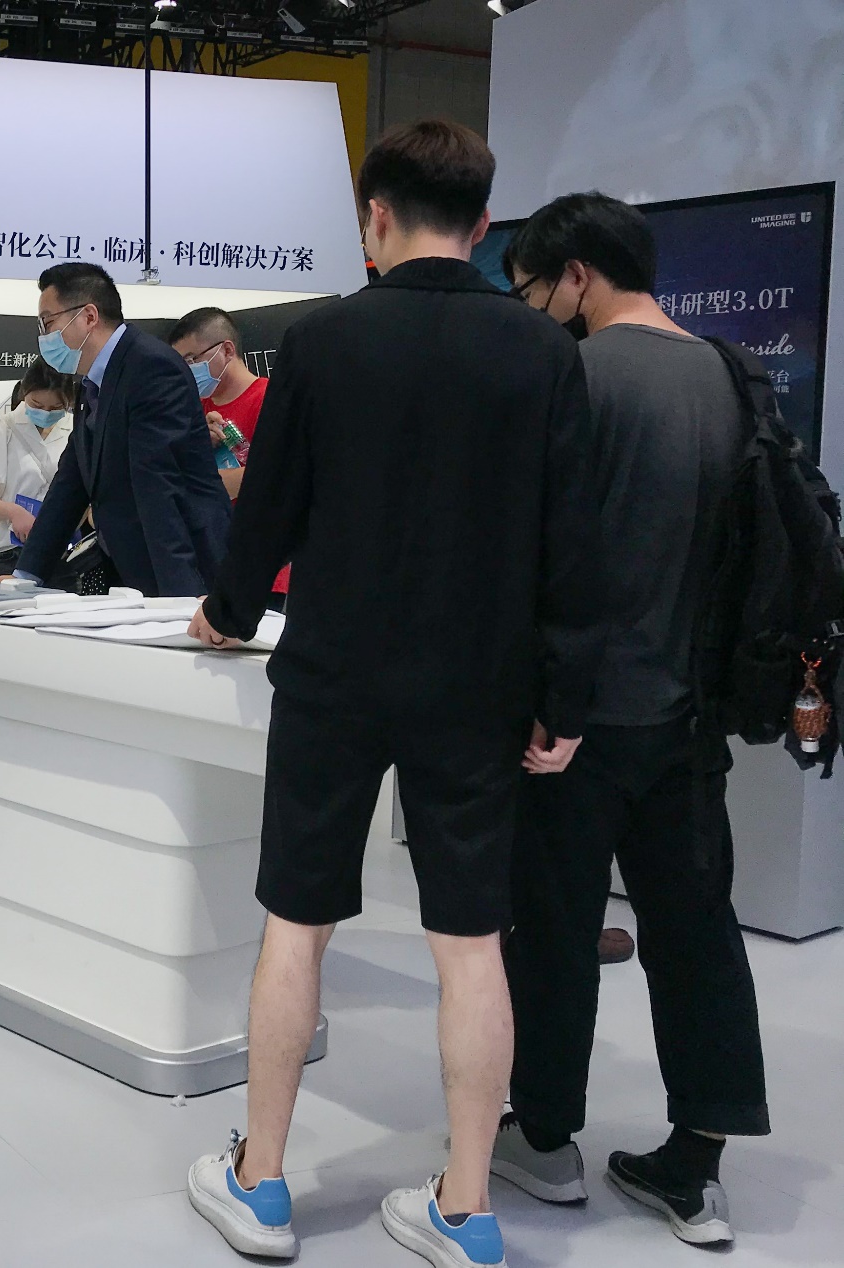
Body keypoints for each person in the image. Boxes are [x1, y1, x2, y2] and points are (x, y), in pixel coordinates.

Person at [182, 121, 604, 1267]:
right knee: (469, 940)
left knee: (295, 920)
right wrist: (563, 696)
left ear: (373, 215)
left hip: (333, 670)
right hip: (479, 680)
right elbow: (571, 542)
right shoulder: (541, 351)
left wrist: (225, 610)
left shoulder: (321, 342)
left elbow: (267, 512)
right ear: (483, 223)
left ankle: (262, 1182)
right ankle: (465, 1206)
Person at [494, 192, 768, 1247]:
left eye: (534, 288)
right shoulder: (728, 374)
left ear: (575, 274)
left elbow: (547, 557)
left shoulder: (576, 376)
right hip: (689, 715)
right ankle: (694, 1166)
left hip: (573, 720)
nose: (537, 310)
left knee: (552, 932)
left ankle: (544, 1139)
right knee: (696, 933)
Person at [8, 263, 231, 597]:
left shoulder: (150, 367)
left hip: (184, 569)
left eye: (48, 322)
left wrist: (181, 598)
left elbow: (159, 485)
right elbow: (72, 481)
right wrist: (25, 576)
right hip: (135, 570)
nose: (44, 335)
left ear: (88, 316)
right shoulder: (93, 382)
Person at [168, 308, 290, 609]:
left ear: (226, 350)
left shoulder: (270, 399)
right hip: (208, 563)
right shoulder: (194, 408)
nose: (187, 370)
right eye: (180, 363)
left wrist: (201, 482)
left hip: (263, 568)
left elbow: (275, 480)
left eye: (192, 360)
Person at [0, 358, 75, 577]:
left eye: (55, 407)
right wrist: (15, 513)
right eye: (37, 405)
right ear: (25, 393)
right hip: (10, 550)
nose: (46, 413)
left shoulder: (74, 428)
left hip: (62, 552)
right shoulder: (2, 427)